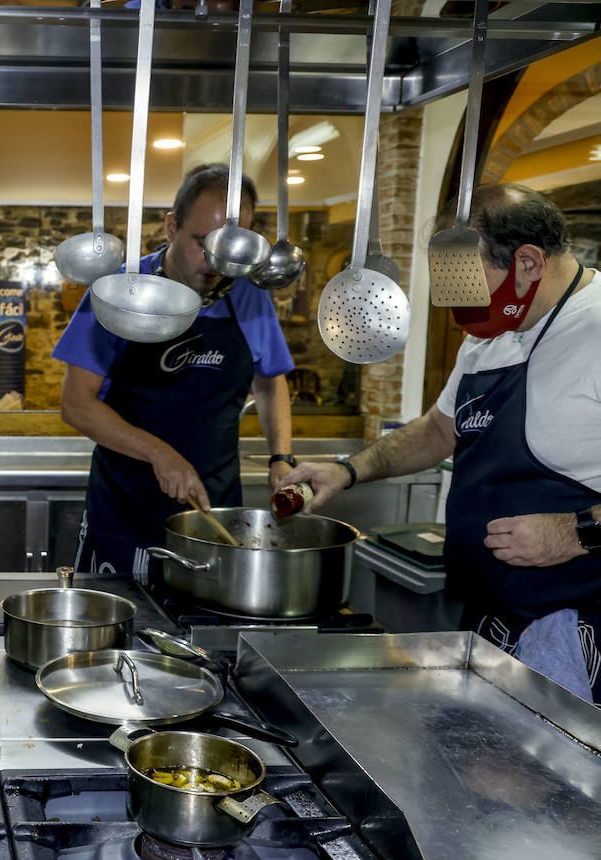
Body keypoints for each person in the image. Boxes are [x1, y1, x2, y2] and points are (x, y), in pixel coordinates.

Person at [281, 183, 600, 703]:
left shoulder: (596, 328)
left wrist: (576, 531)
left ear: (528, 263)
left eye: (474, 287)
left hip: (575, 631)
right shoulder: (489, 339)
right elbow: (438, 429)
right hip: (486, 618)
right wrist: (348, 470)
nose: (469, 312)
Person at [53, 163, 295, 575]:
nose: (216, 261)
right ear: (171, 228)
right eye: (203, 242)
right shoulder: (121, 290)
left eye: (230, 248)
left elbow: (271, 384)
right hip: (124, 512)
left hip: (213, 513)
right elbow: (76, 404)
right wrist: (159, 453)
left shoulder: (250, 297)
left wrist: (281, 457)